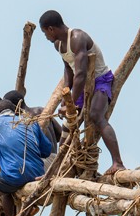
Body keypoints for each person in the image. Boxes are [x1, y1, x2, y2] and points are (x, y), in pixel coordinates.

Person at [39, 10, 125, 175]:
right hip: (82, 85)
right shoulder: (59, 45)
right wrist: (66, 98)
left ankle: (118, 162)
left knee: (95, 116)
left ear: (51, 29)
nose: (46, 37)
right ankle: (55, 171)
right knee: (68, 125)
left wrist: (70, 102)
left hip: (100, 80)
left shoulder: (78, 38)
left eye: (45, 33)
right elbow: (68, 71)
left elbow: (81, 74)